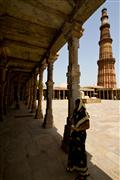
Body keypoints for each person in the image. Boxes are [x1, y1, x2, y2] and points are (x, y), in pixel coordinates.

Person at [66, 98, 90, 179]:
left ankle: (83, 172)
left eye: (77, 104)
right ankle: (74, 166)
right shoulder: (76, 111)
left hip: (80, 135)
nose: (75, 105)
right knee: (73, 150)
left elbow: (87, 125)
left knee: (80, 152)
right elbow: (72, 120)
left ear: (80, 104)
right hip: (74, 134)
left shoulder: (83, 113)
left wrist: (78, 129)